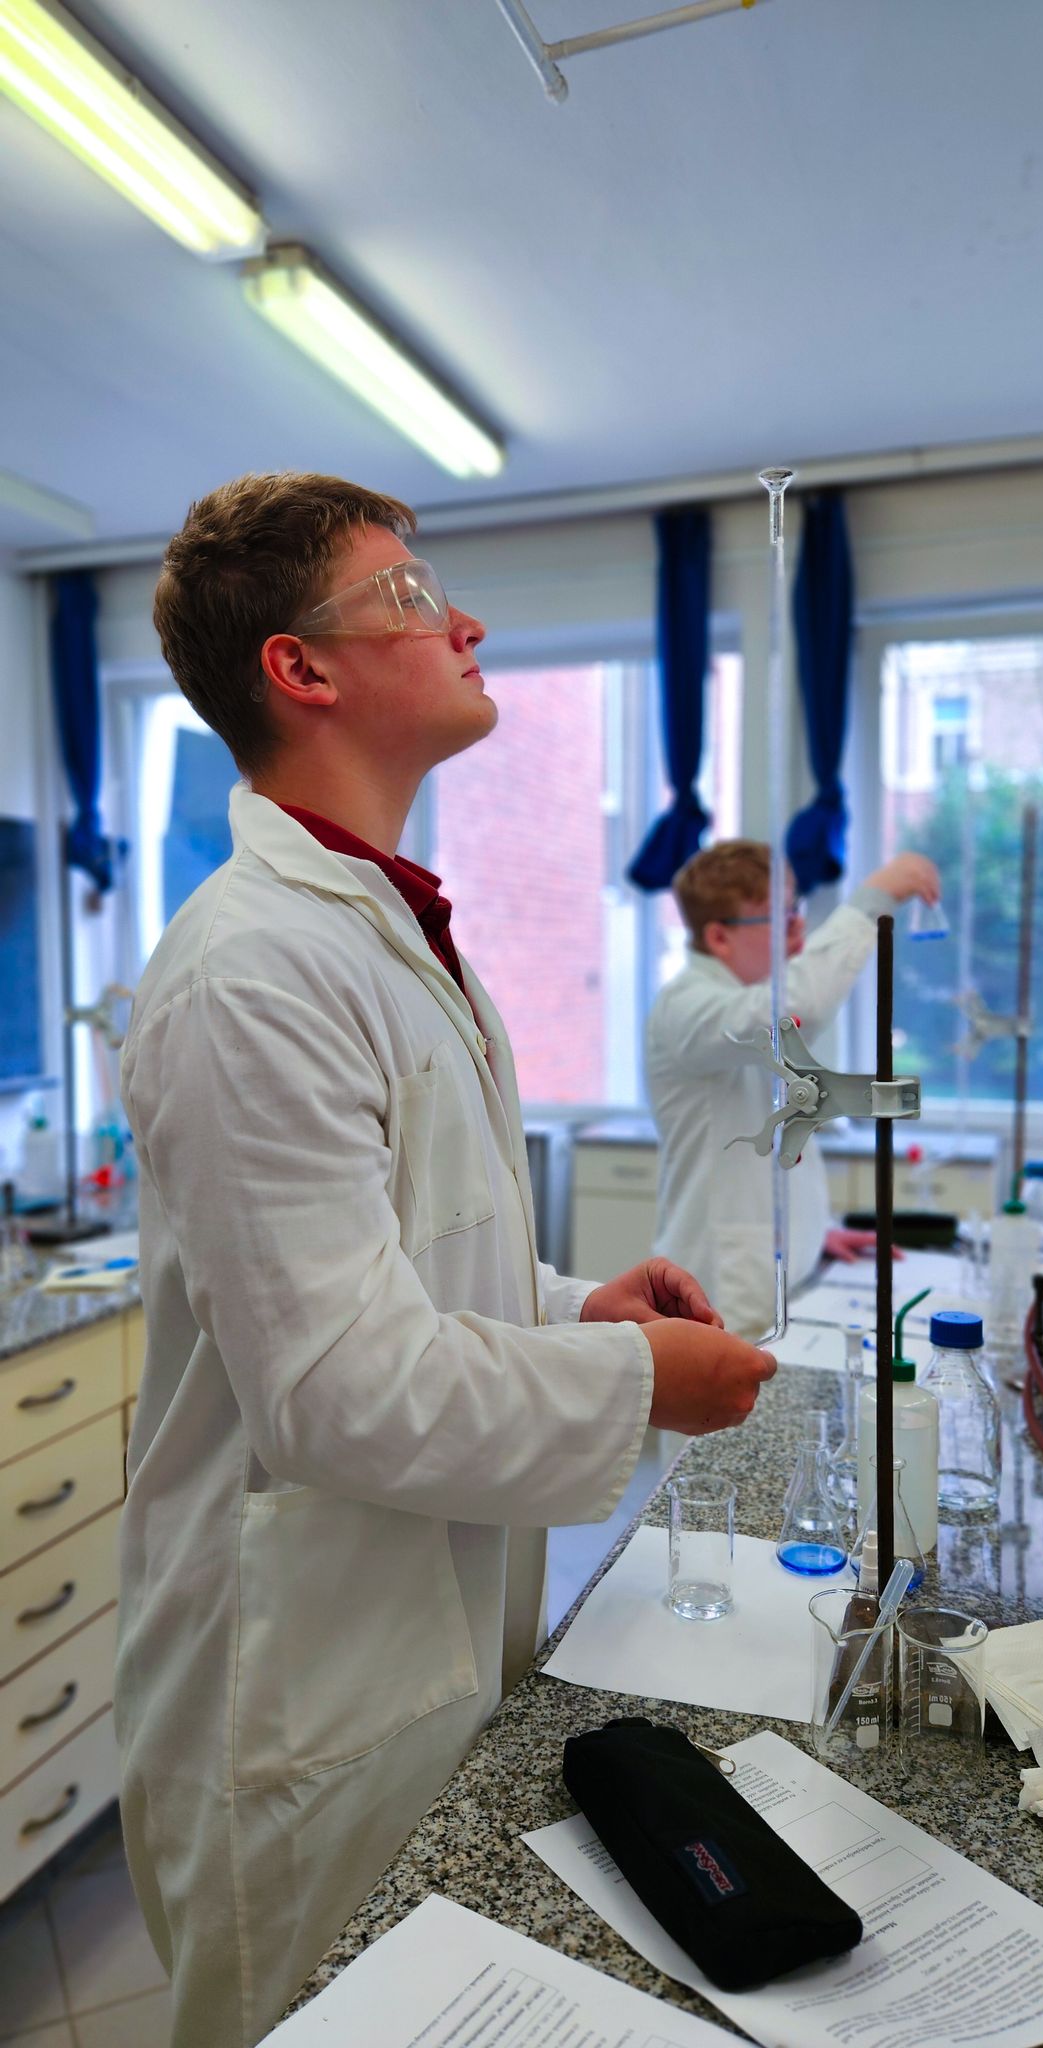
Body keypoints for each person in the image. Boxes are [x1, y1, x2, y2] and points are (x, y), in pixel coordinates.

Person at [115, 474, 772, 2048]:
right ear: (300, 668)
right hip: (296, 1684)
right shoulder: (253, 968)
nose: (464, 622)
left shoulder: (385, 928)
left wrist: (579, 1306)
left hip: (414, 1642)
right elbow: (339, 1387)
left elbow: (399, 1270)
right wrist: (636, 1380)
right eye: (409, 595)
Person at [646, 838, 941, 1337]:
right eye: (780, 917)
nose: (797, 928)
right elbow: (798, 1006)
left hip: (774, 1270)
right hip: (724, 1285)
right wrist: (873, 900)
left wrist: (813, 1236)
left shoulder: (738, 1002)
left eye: (794, 910)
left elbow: (768, 1155)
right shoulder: (688, 1006)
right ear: (719, 937)